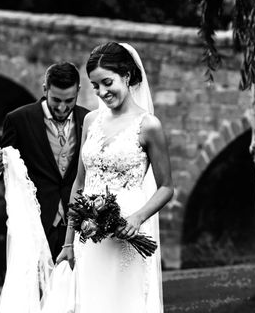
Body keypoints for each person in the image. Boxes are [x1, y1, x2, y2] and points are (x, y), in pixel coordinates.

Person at [55, 42, 173, 313]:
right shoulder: (90, 121)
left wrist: (138, 217)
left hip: (127, 232)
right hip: (89, 237)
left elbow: (166, 187)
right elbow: (80, 185)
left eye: (107, 82)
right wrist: (69, 242)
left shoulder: (149, 126)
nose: (102, 92)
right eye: (95, 86)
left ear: (127, 77)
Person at [0, 62, 89, 261]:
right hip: (36, 224)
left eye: (69, 100)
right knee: (40, 288)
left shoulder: (90, 119)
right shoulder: (18, 119)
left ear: (78, 91)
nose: (62, 107)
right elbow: (0, 167)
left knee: (74, 289)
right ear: (45, 89)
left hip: (78, 225)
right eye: (56, 99)